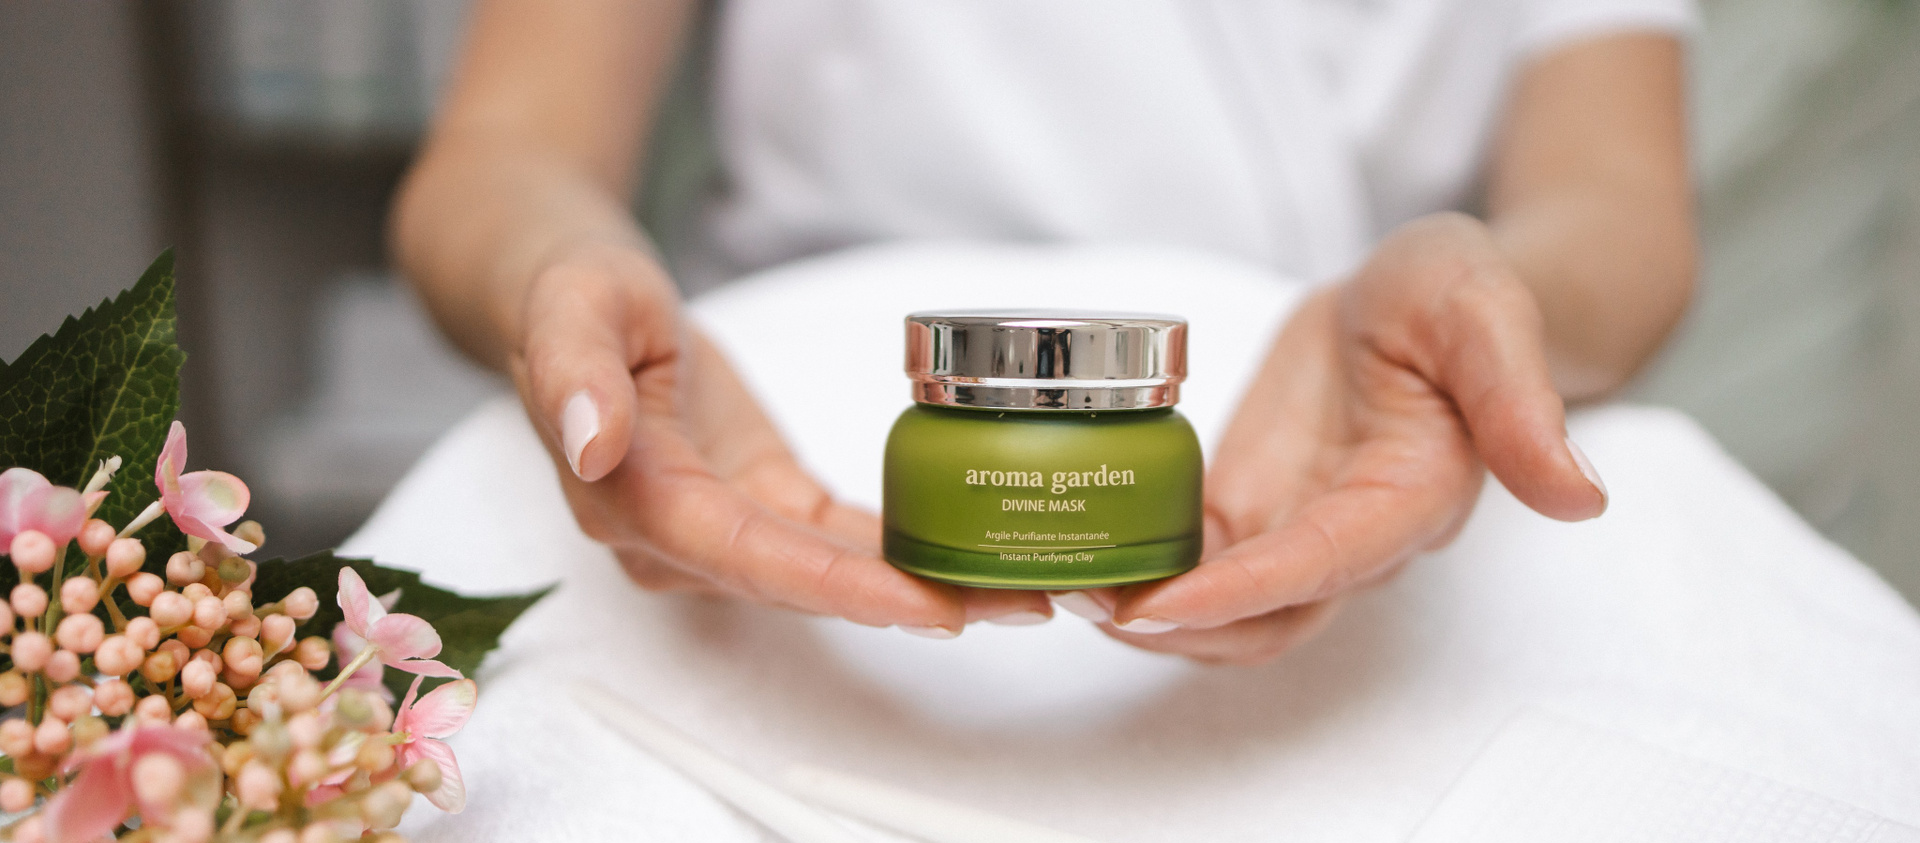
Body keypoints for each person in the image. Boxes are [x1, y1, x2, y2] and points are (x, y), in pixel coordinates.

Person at [392, 0, 1696, 664]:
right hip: (757, 435)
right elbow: (503, 154)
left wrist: (1489, 310)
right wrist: (554, 273)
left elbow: (1619, 209)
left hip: (1338, 434)